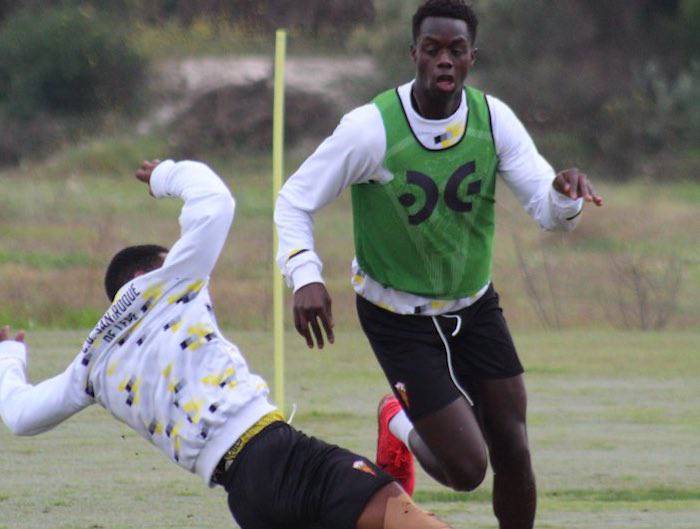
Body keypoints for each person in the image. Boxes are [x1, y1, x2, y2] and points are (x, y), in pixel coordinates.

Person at [274, 1, 604, 528]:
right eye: (432, 49)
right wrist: (305, 275)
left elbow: (548, 211)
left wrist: (566, 195)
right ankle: (396, 419)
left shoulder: (494, 120)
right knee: (468, 469)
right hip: (397, 315)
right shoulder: (371, 129)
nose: (444, 60)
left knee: (514, 446)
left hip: (474, 305)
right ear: (414, 55)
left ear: (472, 57)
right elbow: (293, 200)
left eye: (456, 50)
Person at [0, 159, 456, 529]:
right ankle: (395, 426)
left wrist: (9, 357)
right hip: (279, 455)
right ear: (142, 275)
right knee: (411, 522)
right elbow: (214, 200)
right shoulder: (164, 285)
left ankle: (395, 433)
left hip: (245, 498)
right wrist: (164, 176)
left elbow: (21, 415)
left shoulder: (90, 364)